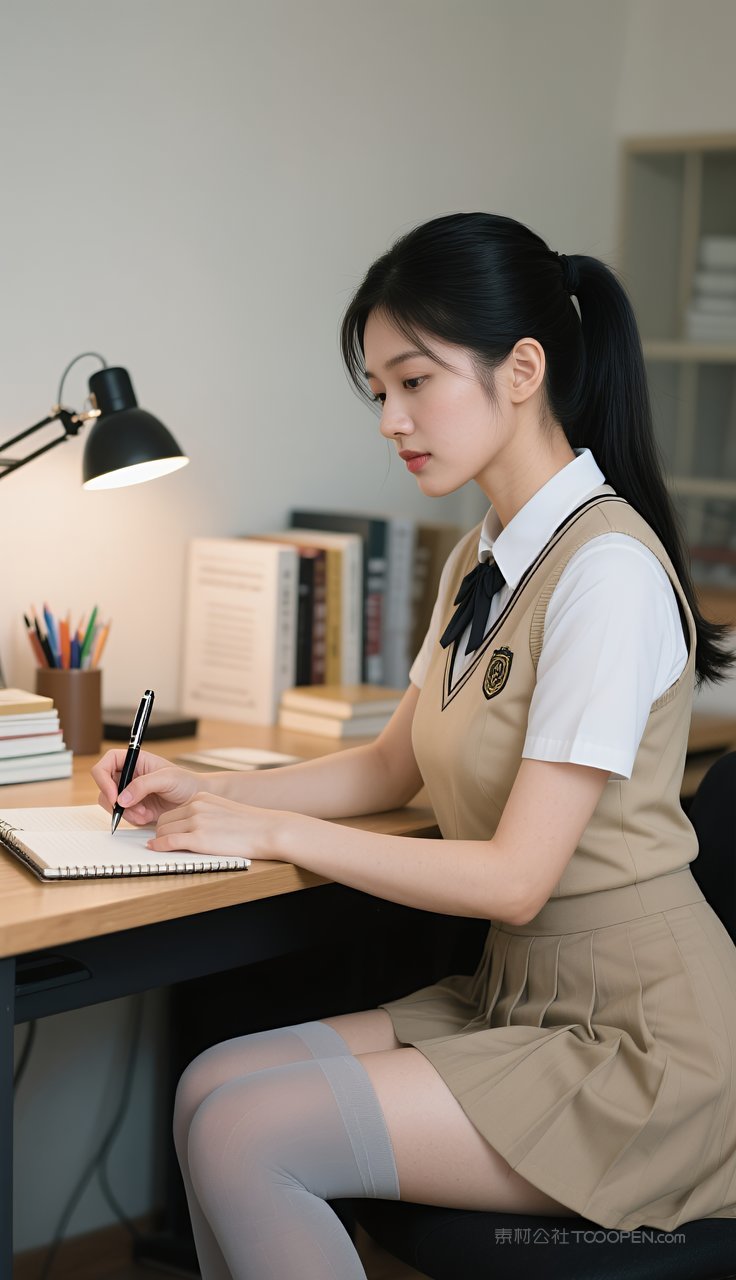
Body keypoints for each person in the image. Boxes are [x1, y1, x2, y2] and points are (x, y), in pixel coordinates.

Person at [93, 211, 736, 1280]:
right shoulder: (485, 553)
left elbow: (517, 877)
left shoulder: (606, 570)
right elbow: (392, 765)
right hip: (522, 999)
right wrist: (199, 785)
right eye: (378, 390)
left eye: (413, 380)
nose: (391, 417)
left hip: (641, 1049)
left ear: (521, 369)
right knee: (207, 1085)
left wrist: (269, 824)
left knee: (244, 1135)